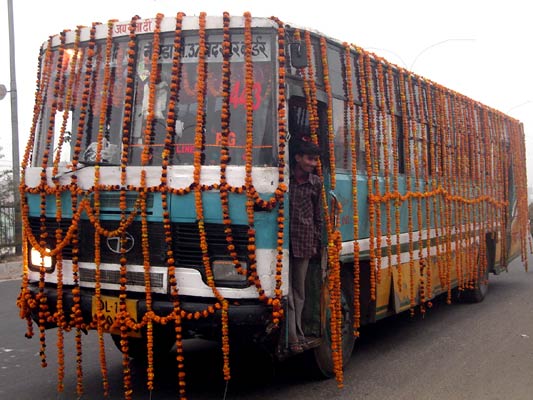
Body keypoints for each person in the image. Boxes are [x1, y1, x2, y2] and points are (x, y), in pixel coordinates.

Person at [288, 139, 323, 353]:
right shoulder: (284, 180)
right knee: (288, 293)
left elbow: (319, 216)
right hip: (282, 244)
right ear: (298, 158)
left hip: (304, 242)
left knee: (299, 292)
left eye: (315, 160)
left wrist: (317, 241)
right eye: (310, 159)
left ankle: (297, 334)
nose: (313, 163)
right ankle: (293, 336)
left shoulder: (316, 183)